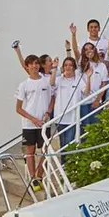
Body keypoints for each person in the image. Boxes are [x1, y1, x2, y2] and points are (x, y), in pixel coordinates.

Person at [15, 54, 52, 192]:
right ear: (27, 66)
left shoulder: (47, 81)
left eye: (36, 63)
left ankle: (40, 176)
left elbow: (52, 98)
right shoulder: (23, 85)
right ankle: (33, 178)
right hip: (29, 124)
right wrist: (33, 119)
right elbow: (18, 109)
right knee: (30, 151)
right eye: (31, 64)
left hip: (44, 123)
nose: (34, 66)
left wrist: (48, 112)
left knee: (45, 150)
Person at [49, 57, 91, 159]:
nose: (68, 67)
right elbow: (52, 83)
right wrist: (54, 68)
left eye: (70, 65)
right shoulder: (59, 79)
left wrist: (89, 77)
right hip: (59, 116)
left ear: (74, 67)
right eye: (66, 65)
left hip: (72, 118)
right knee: (63, 144)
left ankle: (67, 168)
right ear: (63, 67)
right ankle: (64, 166)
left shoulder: (78, 79)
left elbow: (86, 92)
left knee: (69, 143)